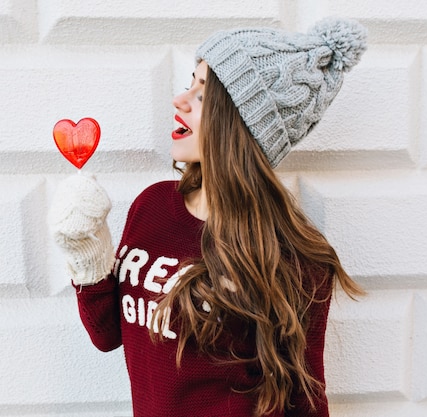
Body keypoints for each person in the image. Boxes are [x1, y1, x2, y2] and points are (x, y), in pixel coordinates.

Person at [48, 17, 367, 417]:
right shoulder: (152, 207)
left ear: (240, 124)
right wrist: (87, 255)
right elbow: (108, 334)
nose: (180, 100)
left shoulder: (292, 255)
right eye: (189, 83)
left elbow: (304, 400)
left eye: (202, 94)